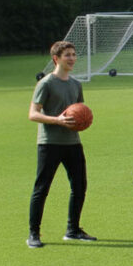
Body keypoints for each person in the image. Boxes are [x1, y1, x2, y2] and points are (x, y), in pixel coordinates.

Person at [27, 41, 96, 247]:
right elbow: (32, 114)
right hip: (49, 143)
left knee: (79, 186)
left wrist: (84, 120)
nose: (72, 58)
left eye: (74, 54)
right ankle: (33, 234)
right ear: (56, 58)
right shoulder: (46, 84)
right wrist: (57, 120)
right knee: (42, 188)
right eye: (67, 55)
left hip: (72, 143)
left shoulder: (76, 84)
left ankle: (73, 230)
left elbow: (80, 110)